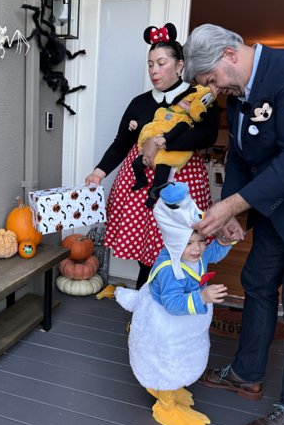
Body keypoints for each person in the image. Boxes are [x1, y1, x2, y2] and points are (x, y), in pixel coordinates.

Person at [182, 23, 284, 425]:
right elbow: (239, 156)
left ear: (231, 54)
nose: (213, 90)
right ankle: (247, 374)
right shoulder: (236, 95)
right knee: (258, 285)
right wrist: (236, 208)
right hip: (272, 213)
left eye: (211, 79)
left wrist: (232, 206)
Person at [85, 22, 219, 289]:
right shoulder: (140, 103)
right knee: (145, 252)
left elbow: (207, 136)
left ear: (180, 65)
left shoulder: (198, 98)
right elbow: (121, 144)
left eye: (161, 63)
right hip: (140, 188)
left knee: (180, 247)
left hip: (181, 184)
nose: (154, 71)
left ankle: (175, 306)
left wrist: (161, 142)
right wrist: (98, 172)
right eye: (150, 64)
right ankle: (145, 308)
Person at [115, 182, 235, 425]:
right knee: (167, 360)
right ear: (174, 241)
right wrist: (202, 296)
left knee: (182, 356)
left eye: (201, 241)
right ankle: (166, 404)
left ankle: (172, 387)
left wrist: (223, 240)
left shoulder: (192, 254)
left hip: (183, 324)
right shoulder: (170, 269)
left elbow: (210, 254)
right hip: (165, 325)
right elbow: (172, 303)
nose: (197, 249)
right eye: (190, 243)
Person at [130, 85, 215, 208]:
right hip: (147, 150)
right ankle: (141, 180)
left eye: (190, 104)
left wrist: (165, 138)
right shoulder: (163, 110)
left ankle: (153, 194)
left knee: (161, 173)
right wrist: (137, 124)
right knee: (136, 164)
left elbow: (178, 129)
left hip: (166, 154)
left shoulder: (185, 119)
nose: (187, 104)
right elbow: (151, 121)